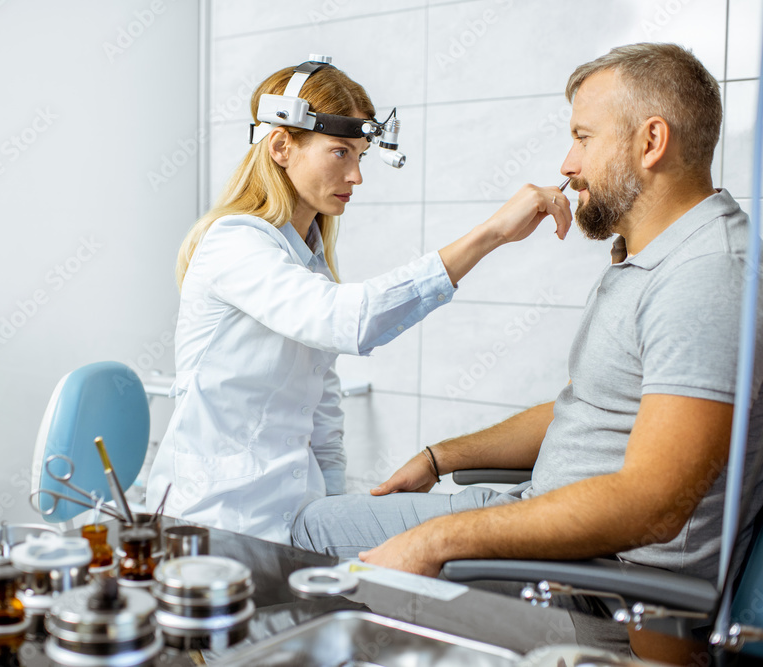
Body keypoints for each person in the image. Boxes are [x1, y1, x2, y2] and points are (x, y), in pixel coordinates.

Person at [292, 43, 763, 653]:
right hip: (546, 529)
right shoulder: (654, 257)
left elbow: (654, 506)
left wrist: (437, 541)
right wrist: (442, 457)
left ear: (651, 143)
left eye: (583, 137)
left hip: (599, 591)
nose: (567, 164)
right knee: (303, 530)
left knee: (297, 551)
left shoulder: (706, 277)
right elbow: (590, 408)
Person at [145, 59, 572, 544]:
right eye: (340, 153)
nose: (356, 176)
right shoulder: (235, 243)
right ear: (282, 146)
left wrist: (334, 512)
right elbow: (346, 320)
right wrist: (491, 234)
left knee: (458, 527)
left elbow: (322, 412)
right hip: (218, 523)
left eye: (361, 157)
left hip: (295, 516)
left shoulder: (308, 260)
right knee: (464, 527)